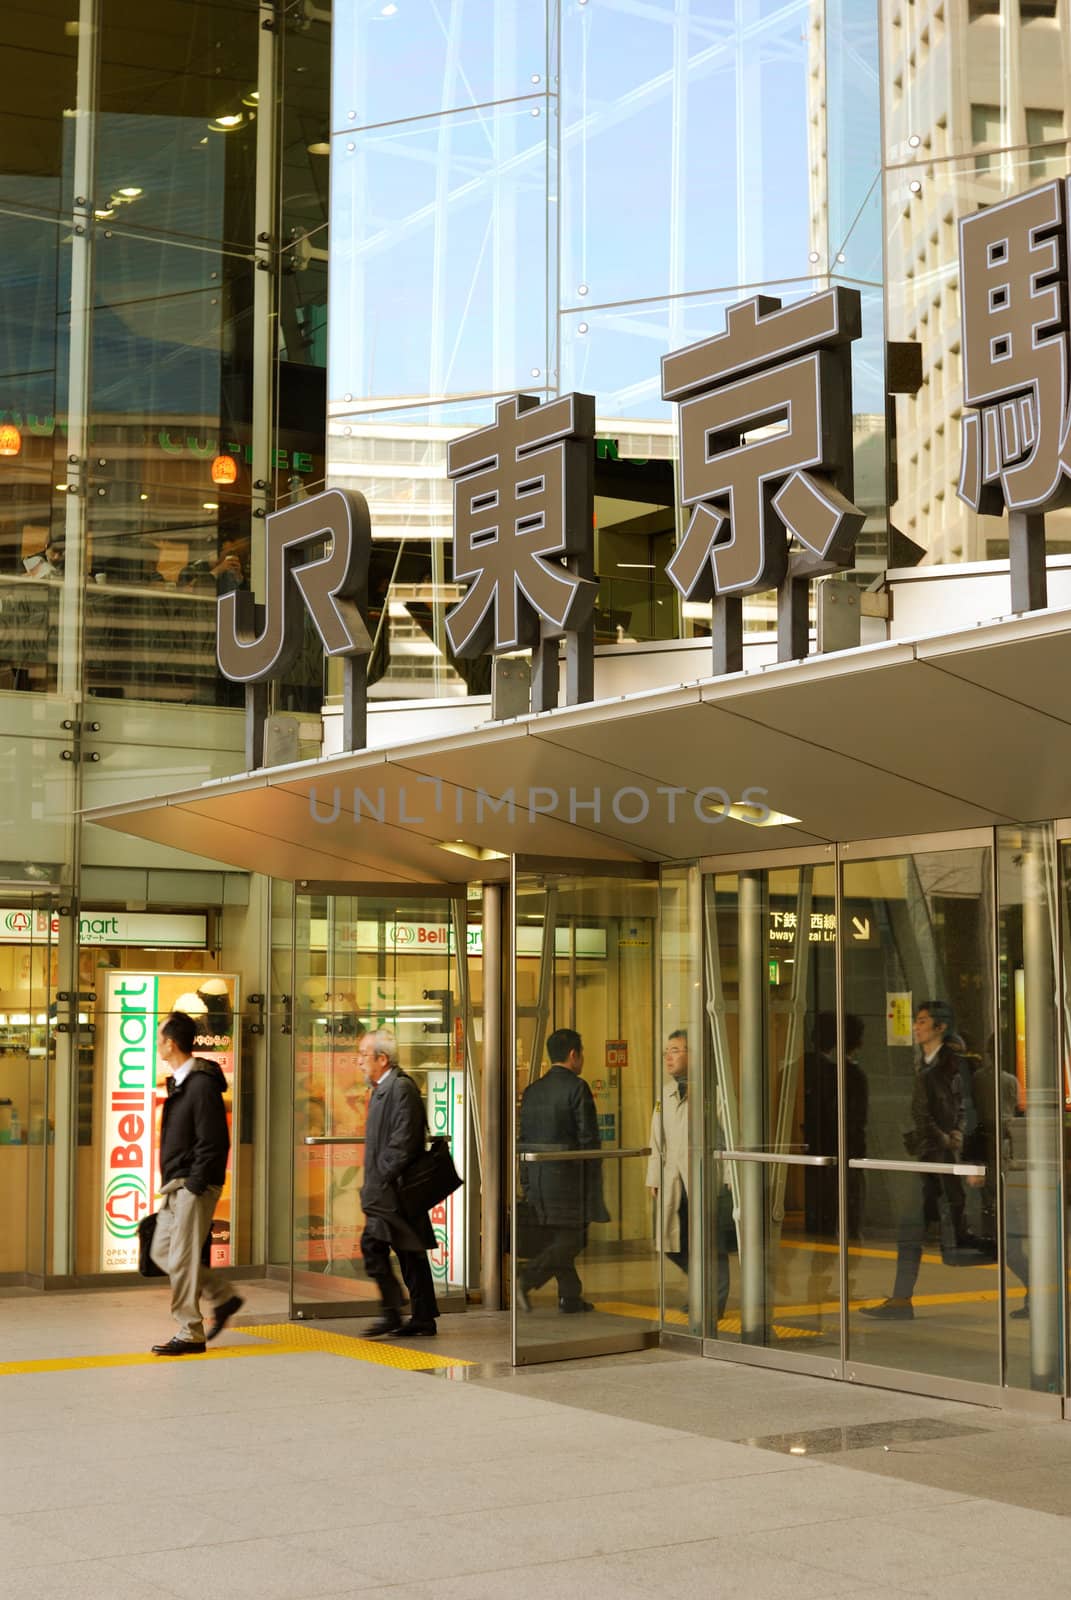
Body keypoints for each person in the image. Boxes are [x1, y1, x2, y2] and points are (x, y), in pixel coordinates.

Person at [860, 1000, 972, 1321]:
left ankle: (1036, 1286)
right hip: (929, 1159)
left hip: (946, 1158)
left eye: (922, 1022)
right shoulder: (923, 1063)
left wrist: (953, 1143)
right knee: (911, 1228)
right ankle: (900, 1299)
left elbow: (962, 1109)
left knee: (970, 1234)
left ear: (940, 1027)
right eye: (916, 1021)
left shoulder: (952, 1065)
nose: (916, 1027)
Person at [150, 1011, 243, 1355]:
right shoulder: (182, 1081)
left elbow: (214, 1140)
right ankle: (224, 1295)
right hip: (177, 1182)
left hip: (193, 1183)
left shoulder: (200, 1084)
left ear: (170, 1044)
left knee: (183, 1258)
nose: (157, 1045)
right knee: (162, 1252)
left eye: (160, 1039)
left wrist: (195, 1183)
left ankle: (190, 1332)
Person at [517, 1027, 609, 1313]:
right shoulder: (577, 1088)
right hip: (569, 1181)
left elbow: (523, 1139)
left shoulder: (532, 1091)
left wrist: (526, 1181)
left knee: (560, 1238)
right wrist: (593, 1179)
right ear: (573, 1055)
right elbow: (588, 1141)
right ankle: (527, 1278)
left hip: (539, 1180)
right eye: (581, 1054)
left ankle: (570, 1296)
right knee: (574, 1238)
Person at [358, 1028, 440, 1338]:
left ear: (382, 1058)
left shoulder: (400, 1089)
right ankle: (421, 1316)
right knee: (409, 1251)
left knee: (376, 1246)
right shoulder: (383, 1088)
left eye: (365, 1056)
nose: (360, 1062)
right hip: (386, 1187)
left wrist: (380, 1176)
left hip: (394, 1189)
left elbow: (403, 1143)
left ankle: (394, 1311)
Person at [803, 1012, 869, 1240]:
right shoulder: (850, 1076)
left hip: (812, 1155)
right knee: (847, 1221)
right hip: (843, 1157)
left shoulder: (802, 1069)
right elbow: (855, 1121)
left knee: (818, 1225)